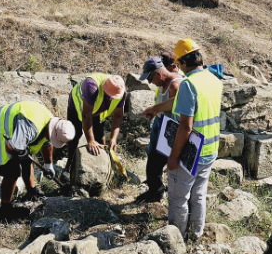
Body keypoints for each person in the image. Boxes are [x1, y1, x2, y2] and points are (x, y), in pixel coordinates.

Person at [155, 38, 222, 240]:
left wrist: (174, 156)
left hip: (190, 153)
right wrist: (156, 108)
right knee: (199, 194)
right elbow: (183, 104)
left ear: (183, 63)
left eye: (179, 63)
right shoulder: (214, 79)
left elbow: (186, 126)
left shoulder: (188, 85)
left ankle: (175, 240)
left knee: (178, 197)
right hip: (210, 149)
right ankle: (195, 235)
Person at [0, 101, 75, 221]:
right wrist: (22, 153)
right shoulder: (31, 127)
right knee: (12, 169)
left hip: (12, 129)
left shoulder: (51, 123)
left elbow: (47, 143)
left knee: (26, 160)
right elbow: (11, 148)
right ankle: (5, 209)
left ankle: (32, 192)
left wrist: (48, 165)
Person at [135, 55, 184, 203]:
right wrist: (156, 112)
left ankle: (157, 192)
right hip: (163, 125)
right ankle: (155, 189)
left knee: (155, 163)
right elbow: (166, 106)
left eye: (150, 79)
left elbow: (179, 113)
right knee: (153, 161)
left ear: (158, 73)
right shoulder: (164, 84)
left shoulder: (175, 85)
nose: (150, 82)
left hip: (172, 131)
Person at [65, 73, 126, 167]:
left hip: (97, 109)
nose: (110, 98)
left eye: (112, 96)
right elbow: (86, 115)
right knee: (74, 135)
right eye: (108, 95)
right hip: (77, 103)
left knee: (100, 138)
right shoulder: (92, 86)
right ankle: (70, 165)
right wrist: (90, 140)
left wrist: (113, 139)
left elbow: (118, 116)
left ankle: (103, 167)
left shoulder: (120, 92)